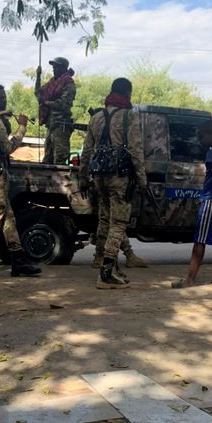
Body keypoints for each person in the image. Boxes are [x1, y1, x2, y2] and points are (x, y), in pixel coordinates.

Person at [80, 77, 147, 289]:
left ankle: (109, 264)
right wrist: (142, 179)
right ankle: (106, 273)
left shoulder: (96, 118)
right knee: (118, 224)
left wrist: (83, 178)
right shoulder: (129, 116)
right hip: (120, 177)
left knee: (107, 220)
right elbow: (136, 150)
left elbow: (87, 152)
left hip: (99, 176)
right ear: (127, 94)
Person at [0, 84, 41, 278]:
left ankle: (18, 261)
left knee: (8, 218)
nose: (5, 99)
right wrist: (22, 128)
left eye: (5, 96)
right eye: (1, 97)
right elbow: (7, 147)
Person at [172, 119, 212, 287]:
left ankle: (190, 280)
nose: (200, 141)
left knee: (200, 240)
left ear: (211, 134)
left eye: (202, 137)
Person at [37, 57, 76, 165]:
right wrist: (38, 76)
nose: (54, 69)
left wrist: (46, 103)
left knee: (60, 158)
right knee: (47, 158)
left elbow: (64, 104)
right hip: (51, 124)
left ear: (64, 68)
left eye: (57, 67)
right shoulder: (52, 83)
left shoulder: (68, 83)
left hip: (61, 125)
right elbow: (39, 94)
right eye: (54, 67)